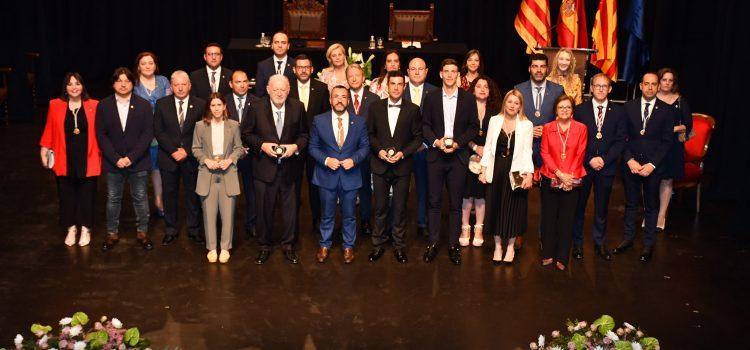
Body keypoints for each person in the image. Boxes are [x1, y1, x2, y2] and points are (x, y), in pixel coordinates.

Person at [242, 74, 308, 265]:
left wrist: (295, 147)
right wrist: (262, 145)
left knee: (290, 211)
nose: (279, 93)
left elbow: (304, 134)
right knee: (264, 210)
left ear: (289, 90)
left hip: (290, 169)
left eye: (283, 89)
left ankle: (288, 246)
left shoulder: (298, 107)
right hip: (264, 168)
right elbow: (246, 133)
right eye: (275, 89)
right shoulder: (256, 107)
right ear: (268, 90)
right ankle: (264, 246)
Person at [421, 58, 479, 265]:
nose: (449, 75)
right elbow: (425, 125)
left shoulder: (468, 99)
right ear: (440, 74)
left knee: (456, 204)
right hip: (436, 157)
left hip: (458, 157)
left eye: (454, 71)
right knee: (434, 202)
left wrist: (458, 143)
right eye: (446, 71)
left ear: (458, 75)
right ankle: (434, 242)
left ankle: (453, 244)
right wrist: (435, 141)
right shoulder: (431, 97)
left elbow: (473, 127)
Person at [614, 72, 675, 262]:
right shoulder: (628, 107)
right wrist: (629, 160)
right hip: (631, 164)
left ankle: (648, 245)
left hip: (652, 167)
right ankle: (628, 239)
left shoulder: (666, 110)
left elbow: (666, 142)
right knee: (631, 203)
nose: (649, 87)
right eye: (646, 84)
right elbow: (621, 137)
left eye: (653, 84)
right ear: (640, 86)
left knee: (651, 206)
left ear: (658, 87)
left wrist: (652, 164)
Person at [308, 85, 369, 264]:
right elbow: (313, 147)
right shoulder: (319, 120)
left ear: (348, 101)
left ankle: (348, 246)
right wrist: (326, 160)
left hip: (350, 175)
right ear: (330, 100)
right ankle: (324, 244)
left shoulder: (359, 122)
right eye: (336, 96)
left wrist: (354, 160)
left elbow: (365, 147)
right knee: (326, 214)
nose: (340, 100)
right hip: (326, 174)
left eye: (343, 96)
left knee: (350, 214)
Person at [95, 67, 154, 251]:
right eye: (119, 80)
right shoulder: (103, 105)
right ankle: (112, 233)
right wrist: (115, 158)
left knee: (140, 197)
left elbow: (147, 134)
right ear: (113, 84)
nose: (123, 84)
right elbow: (101, 134)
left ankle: (142, 232)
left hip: (138, 161)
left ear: (132, 83)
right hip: (114, 163)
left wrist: (131, 157)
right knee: (113, 198)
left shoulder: (144, 105)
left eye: (127, 81)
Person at [366, 71, 422, 263]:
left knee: (399, 208)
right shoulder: (375, 107)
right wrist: (379, 151)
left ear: (404, 87)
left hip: (402, 167)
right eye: (393, 84)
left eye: (400, 84)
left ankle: (399, 246)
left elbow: (417, 138)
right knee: (380, 207)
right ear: (387, 86)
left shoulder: (413, 109)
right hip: (380, 165)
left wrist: (403, 153)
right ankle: (378, 245)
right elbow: (370, 134)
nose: (396, 87)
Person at [39, 73, 100, 247]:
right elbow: (49, 129)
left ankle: (86, 228)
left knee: (87, 196)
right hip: (64, 158)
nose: (74, 87)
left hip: (88, 158)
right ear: (65, 88)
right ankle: (71, 228)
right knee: (66, 195)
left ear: (83, 86)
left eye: (77, 83)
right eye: (70, 84)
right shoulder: (55, 105)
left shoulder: (94, 105)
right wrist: (44, 148)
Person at [571, 74, 626, 261]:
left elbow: (620, 142)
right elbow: (575, 141)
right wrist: (589, 159)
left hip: (606, 167)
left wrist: (604, 159)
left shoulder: (618, 112)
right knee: (579, 206)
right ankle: (577, 244)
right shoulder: (580, 111)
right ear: (591, 88)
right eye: (597, 86)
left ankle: (599, 243)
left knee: (602, 208)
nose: (601, 89)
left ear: (610, 89)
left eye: (605, 86)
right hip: (584, 166)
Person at [514, 53, 564, 250]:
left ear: (547, 69)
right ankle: (517, 233)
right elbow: (512, 117)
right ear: (529, 68)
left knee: (548, 198)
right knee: (518, 194)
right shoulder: (518, 89)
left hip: (548, 153)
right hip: (522, 152)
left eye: (542, 66)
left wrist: (548, 129)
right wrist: (528, 129)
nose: (538, 70)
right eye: (535, 66)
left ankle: (546, 236)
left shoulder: (557, 90)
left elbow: (563, 117)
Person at [479, 89, 534, 264]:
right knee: (495, 206)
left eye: (516, 103)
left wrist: (529, 174)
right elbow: (488, 147)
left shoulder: (527, 125)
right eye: (509, 102)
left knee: (514, 208)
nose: (512, 105)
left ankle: (510, 247)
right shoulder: (495, 121)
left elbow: (527, 151)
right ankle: (498, 246)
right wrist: (483, 169)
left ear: (520, 106)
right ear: (505, 103)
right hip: (497, 169)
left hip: (517, 170)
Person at [153, 71, 206, 246]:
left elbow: (202, 132)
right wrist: (173, 150)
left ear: (190, 85)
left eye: (184, 84)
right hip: (169, 157)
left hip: (191, 158)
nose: (181, 87)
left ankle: (194, 230)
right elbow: (159, 131)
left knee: (193, 195)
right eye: (177, 84)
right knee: (169, 195)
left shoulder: (200, 104)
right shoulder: (162, 104)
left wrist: (186, 150)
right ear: (171, 87)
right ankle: (171, 229)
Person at [192, 93, 244, 263]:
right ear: (209, 108)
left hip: (228, 173)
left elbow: (239, 148)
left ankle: (225, 247)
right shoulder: (200, 126)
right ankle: (212, 247)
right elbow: (196, 148)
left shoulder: (234, 125)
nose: (216, 108)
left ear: (224, 106)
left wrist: (230, 160)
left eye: (219, 105)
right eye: (212, 105)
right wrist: (206, 160)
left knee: (228, 214)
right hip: (207, 173)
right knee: (209, 214)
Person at [539, 94, 588, 271]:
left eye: (568, 107)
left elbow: (580, 153)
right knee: (549, 218)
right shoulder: (548, 127)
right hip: (550, 176)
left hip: (572, 178)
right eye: (561, 107)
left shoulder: (581, 128)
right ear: (556, 111)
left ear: (572, 110)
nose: (565, 110)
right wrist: (559, 173)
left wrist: (570, 177)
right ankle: (547, 253)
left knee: (567, 219)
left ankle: (562, 256)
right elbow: (544, 153)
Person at [289, 54, 331, 232]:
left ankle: (317, 222)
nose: (303, 70)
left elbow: (326, 117)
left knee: (316, 185)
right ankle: (293, 224)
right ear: (294, 70)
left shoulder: (321, 88)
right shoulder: (287, 88)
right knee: (293, 186)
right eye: (300, 67)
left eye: (307, 67)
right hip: (293, 145)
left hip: (316, 146)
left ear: (312, 69)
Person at [460, 76, 501, 247]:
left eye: (486, 86)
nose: (482, 89)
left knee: (481, 196)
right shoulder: (465, 107)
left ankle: (478, 229)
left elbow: (498, 135)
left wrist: (486, 152)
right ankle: (464, 228)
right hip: (466, 154)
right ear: (473, 89)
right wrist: (475, 147)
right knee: (466, 195)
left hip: (488, 158)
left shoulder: (496, 111)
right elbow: (460, 132)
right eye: (479, 86)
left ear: (490, 91)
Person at [133, 51, 171, 218]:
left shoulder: (163, 81)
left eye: (151, 63)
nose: (147, 66)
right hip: (140, 134)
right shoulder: (133, 84)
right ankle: (141, 206)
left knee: (157, 169)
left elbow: (170, 105)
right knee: (141, 171)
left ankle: (158, 200)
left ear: (155, 65)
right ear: (138, 67)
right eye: (143, 63)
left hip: (160, 133)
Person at [403, 57, 437, 237]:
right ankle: (398, 223)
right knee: (399, 190)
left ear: (426, 71)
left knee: (424, 188)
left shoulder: (435, 93)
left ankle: (422, 222)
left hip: (425, 149)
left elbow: (436, 123)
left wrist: (425, 143)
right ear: (407, 72)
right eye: (413, 69)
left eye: (420, 69)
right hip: (402, 150)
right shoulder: (398, 89)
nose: (416, 72)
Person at [655, 68, 692, 233]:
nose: (667, 83)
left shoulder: (680, 100)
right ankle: (651, 214)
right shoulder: (650, 99)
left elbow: (688, 125)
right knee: (650, 180)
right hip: (653, 145)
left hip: (672, 147)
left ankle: (661, 216)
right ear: (659, 81)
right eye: (664, 79)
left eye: (670, 80)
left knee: (667, 180)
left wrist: (672, 128)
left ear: (673, 83)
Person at [225, 70, 260, 239]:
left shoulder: (258, 102)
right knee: (227, 192)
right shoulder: (222, 101)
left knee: (251, 191)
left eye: (245, 81)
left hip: (251, 153)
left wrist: (247, 147)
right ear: (231, 84)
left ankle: (252, 223)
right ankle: (225, 224)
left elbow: (260, 129)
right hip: (227, 154)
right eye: (238, 82)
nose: (242, 84)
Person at [346, 64, 379, 236]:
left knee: (365, 188)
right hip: (347, 153)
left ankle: (366, 220)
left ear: (363, 77)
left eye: (357, 75)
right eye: (350, 76)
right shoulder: (342, 97)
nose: (353, 78)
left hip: (367, 153)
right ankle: (348, 220)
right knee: (348, 189)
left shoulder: (374, 99)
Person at [256, 32, 296, 97]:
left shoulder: (295, 65)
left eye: (283, 43)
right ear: (272, 45)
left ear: (288, 46)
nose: (280, 45)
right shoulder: (262, 66)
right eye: (276, 42)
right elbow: (259, 92)